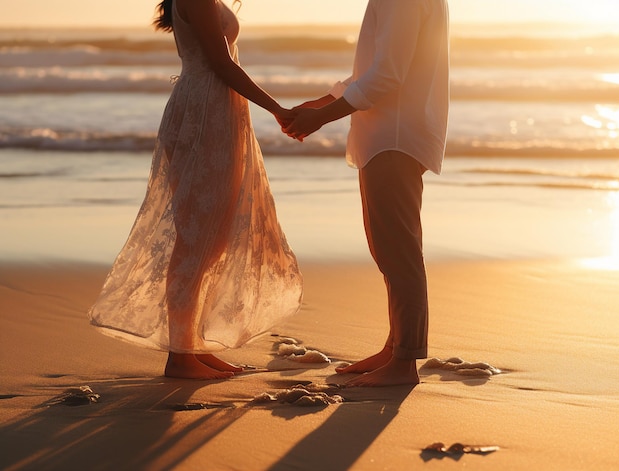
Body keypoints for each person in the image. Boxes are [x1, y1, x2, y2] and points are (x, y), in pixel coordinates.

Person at [88, 0, 302, 380]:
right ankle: (180, 356)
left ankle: (191, 346)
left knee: (213, 236)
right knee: (196, 235)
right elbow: (221, 63)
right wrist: (277, 109)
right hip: (203, 115)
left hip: (215, 111)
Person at [285, 0, 449, 386]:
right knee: (389, 249)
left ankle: (404, 361)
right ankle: (395, 348)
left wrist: (321, 117)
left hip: (393, 136)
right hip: (390, 134)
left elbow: (388, 74)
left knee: (399, 252)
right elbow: (376, 68)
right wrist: (323, 102)